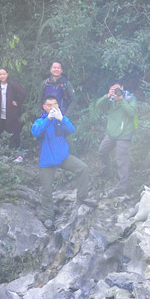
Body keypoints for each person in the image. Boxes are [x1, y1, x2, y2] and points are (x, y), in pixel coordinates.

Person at [32, 95, 96, 229]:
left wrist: (61, 118)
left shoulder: (61, 120)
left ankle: (82, 198)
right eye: (49, 105)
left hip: (62, 157)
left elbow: (72, 129)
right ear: (44, 107)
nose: (52, 107)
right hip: (47, 161)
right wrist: (48, 119)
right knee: (47, 190)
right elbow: (36, 132)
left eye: (54, 104)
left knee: (83, 168)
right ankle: (49, 217)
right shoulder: (40, 121)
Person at [95, 80, 137, 196]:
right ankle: (107, 171)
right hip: (111, 133)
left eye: (118, 89)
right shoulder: (111, 100)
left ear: (122, 88)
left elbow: (132, 112)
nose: (116, 92)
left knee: (121, 160)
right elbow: (98, 106)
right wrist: (107, 96)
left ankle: (122, 187)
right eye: (114, 90)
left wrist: (121, 100)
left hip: (124, 134)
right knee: (102, 151)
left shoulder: (129, 98)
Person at [0, 68, 26, 159]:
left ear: (7, 74)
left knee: (15, 133)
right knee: (1, 133)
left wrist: (17, 102)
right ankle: (5, 154)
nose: (2, 76)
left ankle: (19, 155)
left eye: (4, 74)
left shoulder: (12, 84)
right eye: (0, 74)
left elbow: (23, 93)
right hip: (1, 114)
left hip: (11, 114)